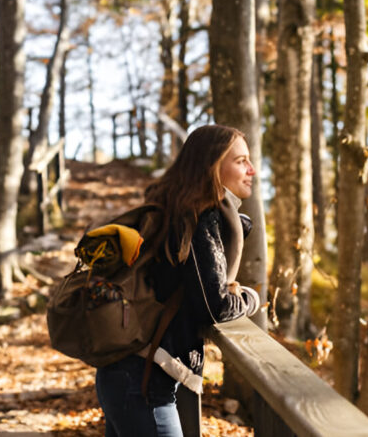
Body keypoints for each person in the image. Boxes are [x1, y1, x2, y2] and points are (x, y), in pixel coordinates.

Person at [95, 124, 261, 437]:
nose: (251, 169)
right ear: (212, 165)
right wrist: (251, 299)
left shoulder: (179, 209)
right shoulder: (196, 216)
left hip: (129, 375)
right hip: (142, 383)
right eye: (240, 161)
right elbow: (214, 308)